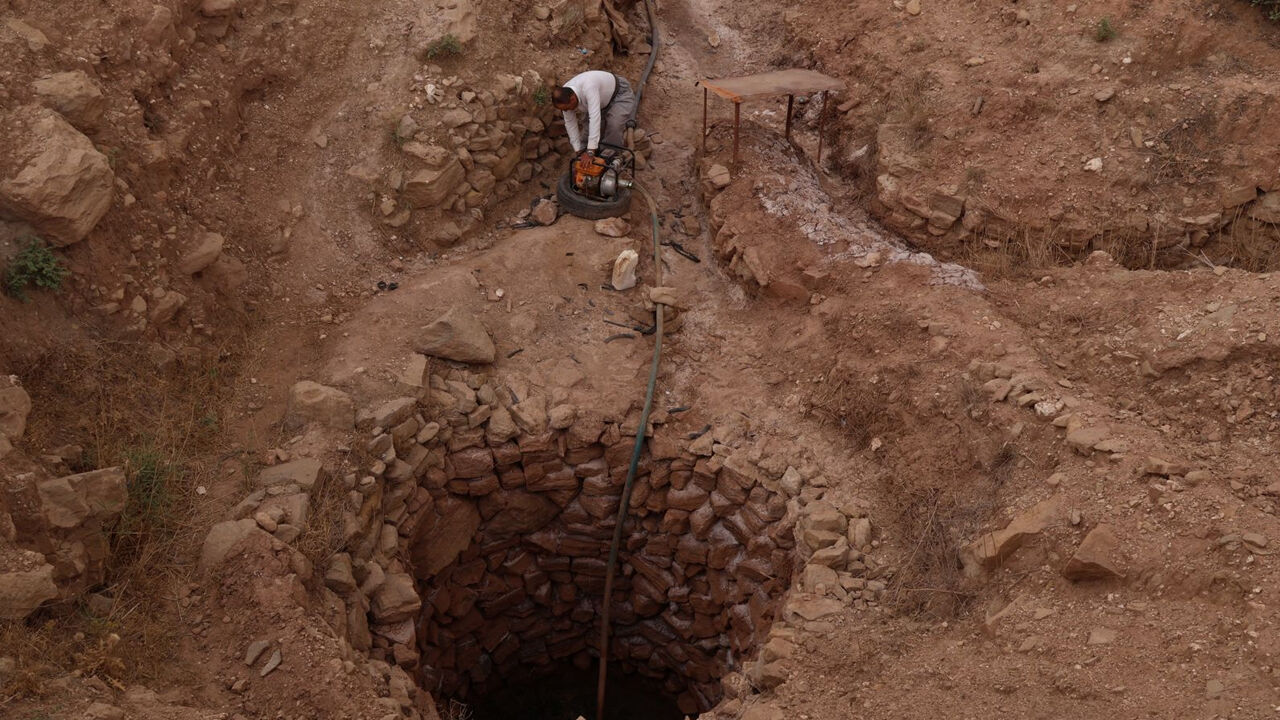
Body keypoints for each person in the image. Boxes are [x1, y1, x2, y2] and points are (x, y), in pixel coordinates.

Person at [552, 70, 637, 159]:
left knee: (614, 125)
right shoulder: (565, 96)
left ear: (572, 99)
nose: (566, 111)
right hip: (600, 101)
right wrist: (578, 150)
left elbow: (594, 117)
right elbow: (570, 124)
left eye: (566, 109)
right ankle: (589, 158)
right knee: (587, 134)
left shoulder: (588, 87)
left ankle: (610, 159)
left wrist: (590, 152)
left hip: (619, 94)